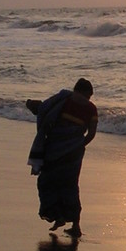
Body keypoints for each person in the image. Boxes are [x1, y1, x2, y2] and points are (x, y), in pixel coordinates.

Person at [26, 77, 98, 237]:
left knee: (47, 182)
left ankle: (55, 215)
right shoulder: (91, 108)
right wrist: (79, 145)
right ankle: (76, 226)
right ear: (87, 93)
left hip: (54, 150)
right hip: (75, 154)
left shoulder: (63, 100)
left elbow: (44, 109)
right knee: (71, 186)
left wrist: (30, 104)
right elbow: (91, 134)